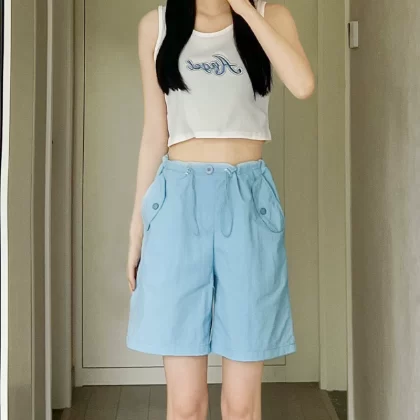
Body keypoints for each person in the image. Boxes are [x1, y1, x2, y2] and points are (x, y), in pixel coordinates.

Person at [126, 0, 314, 418]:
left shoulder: (269, 16)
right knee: (185, 405)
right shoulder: (157, 25)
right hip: (177, 205)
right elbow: (155, 132)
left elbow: (303, 85)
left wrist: (245, 10)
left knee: (241, 406)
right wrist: (137, 229)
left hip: (246, 201)